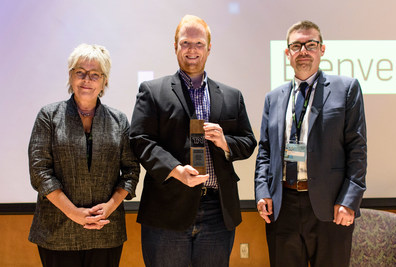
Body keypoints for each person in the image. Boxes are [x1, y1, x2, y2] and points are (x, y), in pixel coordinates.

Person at [130, 15, 256, 267]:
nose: (192, 50)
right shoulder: (152, 91)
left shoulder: (232, 96)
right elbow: (140, 139)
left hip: (217, 213)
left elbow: (248, 141)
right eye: (185, 43)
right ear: (175, 46)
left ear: (209, 47)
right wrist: (176, 170)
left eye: (198, 43)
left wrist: (224, 142)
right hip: (167, 211)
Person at [254, 20, 367, 267]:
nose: (303, 51)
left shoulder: (346, 89)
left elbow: (357, 150)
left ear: (322, 50)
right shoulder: (273, 98)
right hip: (282, 208)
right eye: (296, 46)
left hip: (330, 207)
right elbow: (264, 150)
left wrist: (349, 201)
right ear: (287, 53)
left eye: (311, 44)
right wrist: (263, 191)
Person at [28, 43, 140, 267]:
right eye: (80, 72)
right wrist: (74, 213)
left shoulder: (119, 121)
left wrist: (110, 205)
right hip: (57, 232)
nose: (86, 79)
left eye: (94, 74)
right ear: (70, 76)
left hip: (105, 229)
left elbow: (131, 171)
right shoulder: (48, 116)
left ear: (104, 80)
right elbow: (40, 172)